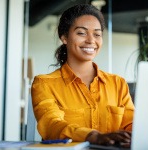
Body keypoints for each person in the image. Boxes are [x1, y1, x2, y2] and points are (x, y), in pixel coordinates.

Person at [31, 4, 135, 147]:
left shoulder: (117, 83)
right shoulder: (44, 84)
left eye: (97, 34)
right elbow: (51, 125)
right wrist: (92, 136)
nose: (91, 40)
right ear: (64, 37)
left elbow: (131, 124)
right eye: (81, 33)